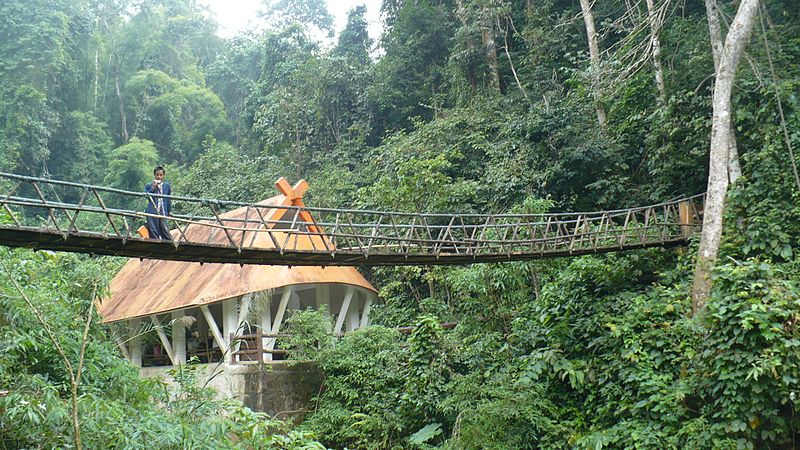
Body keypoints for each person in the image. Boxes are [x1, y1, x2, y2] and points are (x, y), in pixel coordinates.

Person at [144, 166, 172, 240]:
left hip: (163, 211)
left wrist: (169, 210)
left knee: (164, 230)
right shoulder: (149, 185)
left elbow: (168, 199)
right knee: (153, 230)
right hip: (152, 211)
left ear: (163, 176)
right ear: (154, 175)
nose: (159, 177)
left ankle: (167, 245)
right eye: (157, 175)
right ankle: (155, 245)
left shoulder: (167, 186)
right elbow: (146, 195)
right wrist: (153, 188)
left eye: (161, 175)